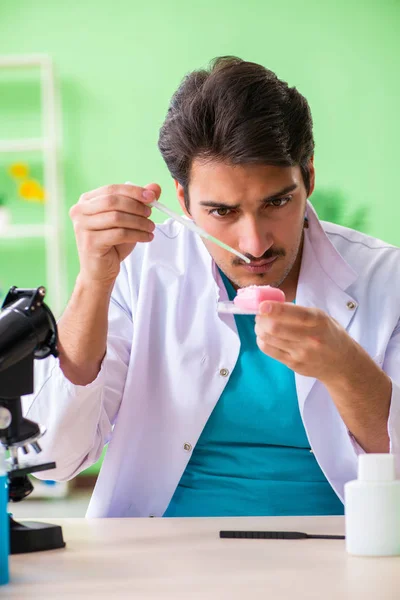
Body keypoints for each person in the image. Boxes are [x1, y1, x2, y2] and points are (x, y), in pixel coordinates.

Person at [23, 56, 400, 518]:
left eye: (277, 202)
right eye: (222, 211)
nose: (254, 243)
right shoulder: (141, 268)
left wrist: (345, 368)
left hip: (339, 549)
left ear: (309, 178)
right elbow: (54, 459)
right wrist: (93, 282)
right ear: (182, 200)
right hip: (163, 555)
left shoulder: (386, 278)